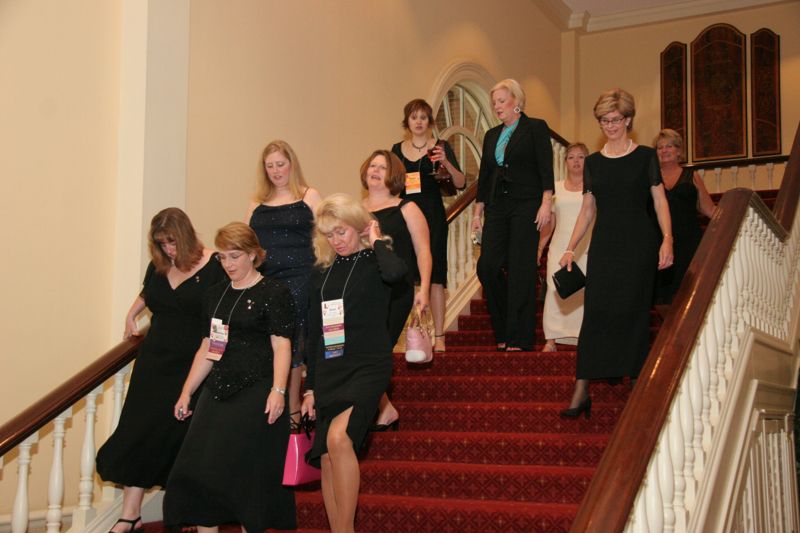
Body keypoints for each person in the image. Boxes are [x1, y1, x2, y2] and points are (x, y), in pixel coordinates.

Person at [96, 208, 225, 533]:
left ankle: (191, 511)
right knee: (139, 431)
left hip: (192, 363)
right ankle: (130, 513)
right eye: (161, 244)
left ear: (184, 234)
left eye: (171, 242)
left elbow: (225, 313)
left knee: (184, 438)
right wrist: (131, 314)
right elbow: (147, 291)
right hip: (153, 361)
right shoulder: (159, 266)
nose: (168, 249)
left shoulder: (215, 264)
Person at [163, 222, 296, 533]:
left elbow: (282, 345)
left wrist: (279, 390)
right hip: (218, 388)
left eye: (235, 256)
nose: (228, 264)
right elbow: (208, 348)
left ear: (253, 255)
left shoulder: (275, 292)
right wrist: (187, 392)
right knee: (199, 467)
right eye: (223, 257)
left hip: (257, 388)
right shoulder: (215, 295)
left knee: (247, 473)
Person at [558, 88, 673, 418]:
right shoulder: (593, 163)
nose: (609, 125)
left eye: (615, 119)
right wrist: (570, 248)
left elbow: (659, 201)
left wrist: (667, 239)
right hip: (605, 246)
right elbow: (587, 209)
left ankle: (636, 380)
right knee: (595, 314)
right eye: (604, 120)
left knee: (634, 313)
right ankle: (582, 388)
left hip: (638, 245)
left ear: (629, 119)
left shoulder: (646, 157)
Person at [301, 194, 407, 533]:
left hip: (368, 365)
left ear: (358, 227)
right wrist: (311, 387)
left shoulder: (377, 261)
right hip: (332, 366)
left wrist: (374, 239)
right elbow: (315, 334)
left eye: (342, 232)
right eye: (329, 234)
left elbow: (397, 273)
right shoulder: (324, 272)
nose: (336, 241)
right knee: (328, 454)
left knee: (338, 438)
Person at [471, 78, 555, 352]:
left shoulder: (535, 128)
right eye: (494, 102)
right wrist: (477, 211)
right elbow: (485, 175)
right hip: (497, 205)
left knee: (521, 269)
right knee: (487, 267)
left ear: (516, 101)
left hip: (527, 204)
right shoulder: (492, 135)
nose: (497, 106)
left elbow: (545, 167)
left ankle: (519, 336)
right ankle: (505, 326)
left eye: (502, 101)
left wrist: (546, 202)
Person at [247, 139, 322, 429]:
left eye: (280, 164)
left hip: (302, 276)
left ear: (291, 164)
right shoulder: (256, 202)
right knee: (269, 341)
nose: (276, 170)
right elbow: (246, 241)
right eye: (270, 166)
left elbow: (326, 232)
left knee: (292, 341)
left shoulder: (309, 195)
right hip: (266, 280)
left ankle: (292, 409)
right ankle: (273, 404)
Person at [360, 149, 432, 430]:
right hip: (363, 292)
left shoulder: (407, 208)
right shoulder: (355, 210)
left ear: (394, 176)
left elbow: (423, 251)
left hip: (395, 292)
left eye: (383, 167)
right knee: (364, 351)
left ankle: (382, 408)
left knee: (375, 349)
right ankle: (385, 407)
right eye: (372, 165)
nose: (376, 170)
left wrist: (424, 288)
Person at [392, 98, 466, 352]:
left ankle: (439, 335)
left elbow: (460, 183)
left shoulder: (440, 147)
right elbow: (390, 187)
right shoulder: (396, 150)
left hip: (433, 217)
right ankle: (411, 334)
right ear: (407, 122)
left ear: (430, 121)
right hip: (405, 218)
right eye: (414, 117)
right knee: (407, 277)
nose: (419, 122)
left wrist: (445, 161)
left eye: (423, 117)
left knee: (435, 277)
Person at [537, 143, 592, 352]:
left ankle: (582, 335)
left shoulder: (593, 187)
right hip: (559, 246)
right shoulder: (556, 188)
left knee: (583, 292)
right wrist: (540, 246)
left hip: (586, 246)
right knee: (554, 289)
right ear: (565, 161)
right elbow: (549, 222)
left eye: (581, 157)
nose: (576, 161)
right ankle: (551, 338)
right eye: (571, 157)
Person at [653, 128, 715, 304]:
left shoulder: (691, 175)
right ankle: (671, 331)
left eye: (669, 146)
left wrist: (736, 221)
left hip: (689, 242)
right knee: (661, 297)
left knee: (688, 294)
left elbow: (709, 209)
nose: (664, 150)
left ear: (679, 150)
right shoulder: (651, 177)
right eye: (660, 147)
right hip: (661, 243)